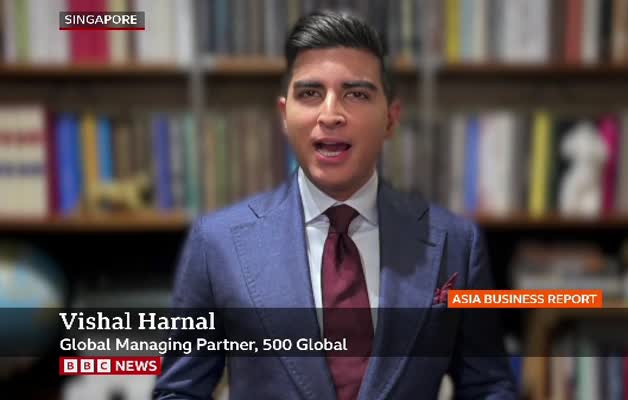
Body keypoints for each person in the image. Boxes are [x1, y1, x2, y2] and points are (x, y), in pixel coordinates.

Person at [154, 10, 517, 400]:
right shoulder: (216, 243)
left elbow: (488, 387)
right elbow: (180, 392)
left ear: (390, 119)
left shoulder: (457, 244)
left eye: (356, 94)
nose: (330, 115)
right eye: (310, 94)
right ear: (284, 115)